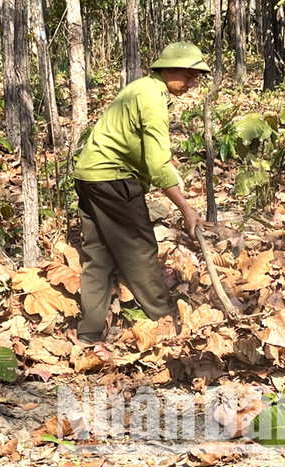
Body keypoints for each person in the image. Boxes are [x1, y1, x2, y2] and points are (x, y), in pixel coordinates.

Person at [72, 41, 211, 345]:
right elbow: (157, 165)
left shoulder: (143, 89)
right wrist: (186, 208)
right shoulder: (151, 98)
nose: (190, 83)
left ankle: (90, 329)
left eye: (195, 78)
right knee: (140, 250)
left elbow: (137, 141)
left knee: (99, 254)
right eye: (187, 75)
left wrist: (167, 161)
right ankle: (163, 318)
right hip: (113, 179)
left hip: (88, 175)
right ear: (166, 69)